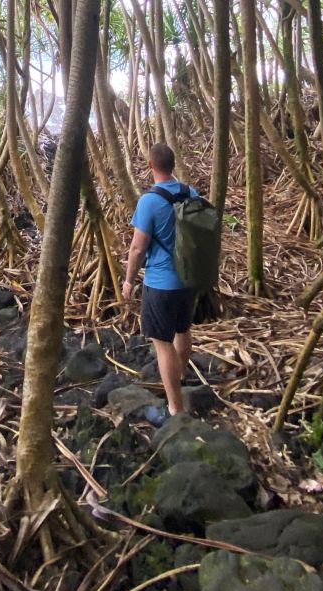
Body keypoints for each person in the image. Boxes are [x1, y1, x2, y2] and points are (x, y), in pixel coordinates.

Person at [122, 143, 198, 419]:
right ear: (173, 164)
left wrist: (129, 280)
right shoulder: (191, 193)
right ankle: (183, 373)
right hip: (189, 278)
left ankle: (175, 407)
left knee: (162, 343)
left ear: (151, 166)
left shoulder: (149, 201)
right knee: (183, 329)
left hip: (161, 282)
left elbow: (137, 248)